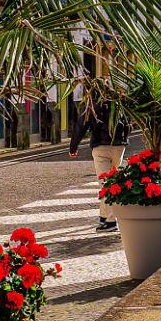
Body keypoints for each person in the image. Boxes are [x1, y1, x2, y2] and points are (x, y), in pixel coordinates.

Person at [68, 65, 117, 231]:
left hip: (101, 146)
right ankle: (104, 216)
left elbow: (81, 126)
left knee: (106, 184)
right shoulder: (117, 103)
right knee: (113, 182)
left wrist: (73, 147)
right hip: (119, 145)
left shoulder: (92, 104)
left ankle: (111, 221)